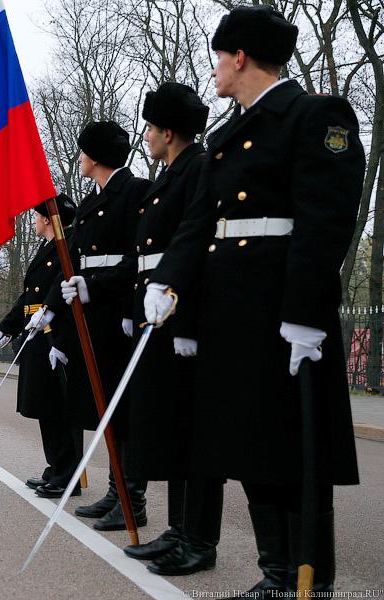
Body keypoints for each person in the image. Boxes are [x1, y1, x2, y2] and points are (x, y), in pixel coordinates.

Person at [142, 6, 364, 596]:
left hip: (283, 312)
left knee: (294, 454)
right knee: (250, 448)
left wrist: (304, 314)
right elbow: (199, 223)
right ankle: (273, 573)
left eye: (219, 56)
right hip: (231, 314)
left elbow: (326, 222)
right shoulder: (226, 137)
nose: (214, 69)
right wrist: (167, 281)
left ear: (240, 57)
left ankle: (306, 579)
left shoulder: (314, 116)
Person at [65, 83, 221, 573]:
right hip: (155, 310)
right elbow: (150, 258)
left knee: (189, 432)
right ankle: (180, 532)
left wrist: (185, 317)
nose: (146, 136)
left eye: (151, 128)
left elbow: (192, 248)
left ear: (168, 130)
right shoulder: (169, 175)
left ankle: (195, 538)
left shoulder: (197, 169)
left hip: (178, 313)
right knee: (174, 429)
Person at [38, 121, 150, 518]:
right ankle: (116, 490)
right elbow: (71, 260)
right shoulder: (91, 200)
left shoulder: (133, 191)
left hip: (116, 309)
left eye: (84, 151)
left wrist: (123, 309)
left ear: (97, 156)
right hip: (91, 311)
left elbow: (139, 258)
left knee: (124, 408)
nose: (79, 158)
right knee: (108, 410)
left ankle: (132, 499)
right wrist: (54, 304)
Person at [0, 196, 81, 499]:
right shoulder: (47, 248)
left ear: (47, 219)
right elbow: (28, 299)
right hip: (36, 333)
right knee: (45, 405)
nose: (33, 221)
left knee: (59, 407)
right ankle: (56, 467)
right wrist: (6, 328)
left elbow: (63, 296)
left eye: (36, 216)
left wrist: (61, 339)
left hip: (56, 335)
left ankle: (68, 473)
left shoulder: (68, 246)